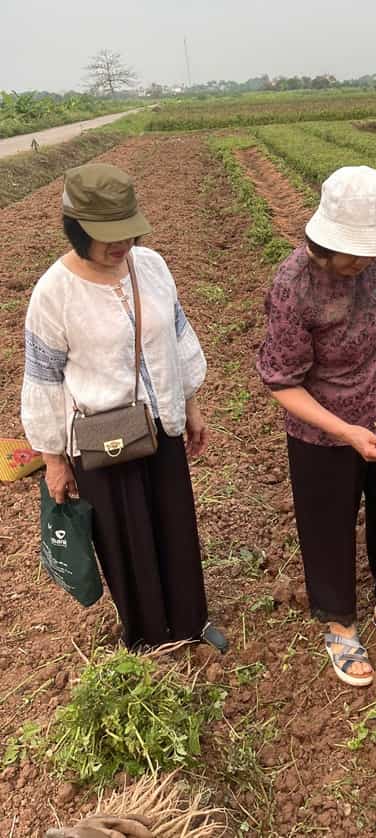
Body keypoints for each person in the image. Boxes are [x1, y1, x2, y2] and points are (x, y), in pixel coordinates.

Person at [21, 163, 226, 652]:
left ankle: (192, 622)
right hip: (103, 441)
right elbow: (44, 381)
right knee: (125, 540)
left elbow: (178, 340)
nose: (121, 245)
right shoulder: (54, 294)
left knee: (175, 525)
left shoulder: (151, 267)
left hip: (160, 428)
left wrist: (191, 408)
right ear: (75, 228)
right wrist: (53, 459)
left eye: (127, 232)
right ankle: (146, 637)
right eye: (106, 235)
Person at [257, 165, 376, 687]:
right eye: (353, 254)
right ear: (324, 238)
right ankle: (339, 620)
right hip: (323, 428)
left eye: (370, 251)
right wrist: (345, 432)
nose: (363, 262)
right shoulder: (294, 286)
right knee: (328, 524)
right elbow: (281, 381)